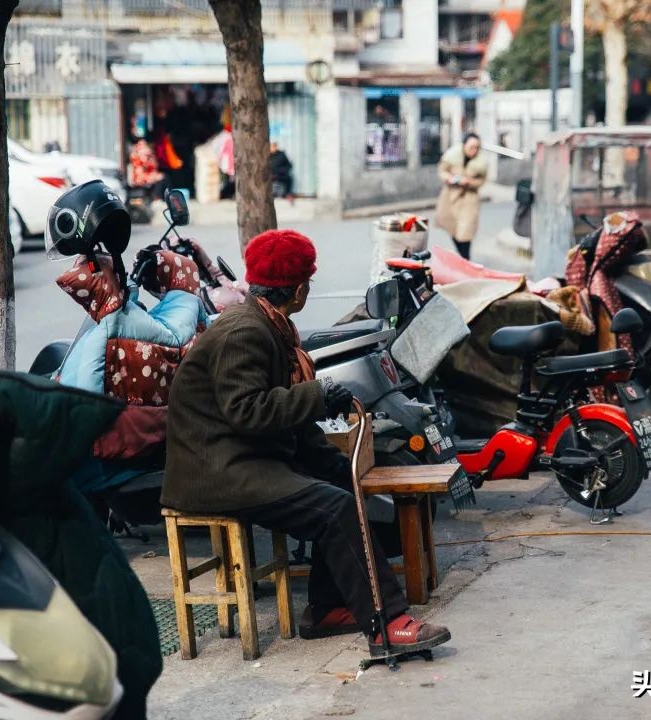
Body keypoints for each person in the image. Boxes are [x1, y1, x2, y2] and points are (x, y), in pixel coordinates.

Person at [162, 229, 451, 654]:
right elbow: (249, 411)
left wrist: (337, 464)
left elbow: (286, 424)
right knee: (333, 509)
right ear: (299, 290)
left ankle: (326, 609)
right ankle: (387, 626)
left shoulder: (269, 325)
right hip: (218, 470)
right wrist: (317, 396)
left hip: (244, 457)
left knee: (341, 487)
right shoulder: (245, 332)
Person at [436, 132, 488, 260]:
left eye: (477, 147)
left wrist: (470, 182)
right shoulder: (451, 156)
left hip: (469, 199)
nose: (474, 150)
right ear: (464, 145)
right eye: (471, 147)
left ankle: (466, 259)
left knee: (465, 232)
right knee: (453, 229)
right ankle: (463, 258)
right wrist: (450, 178)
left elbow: (482, 181)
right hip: (451, 196)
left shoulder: (481, 162)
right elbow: (442, 171)